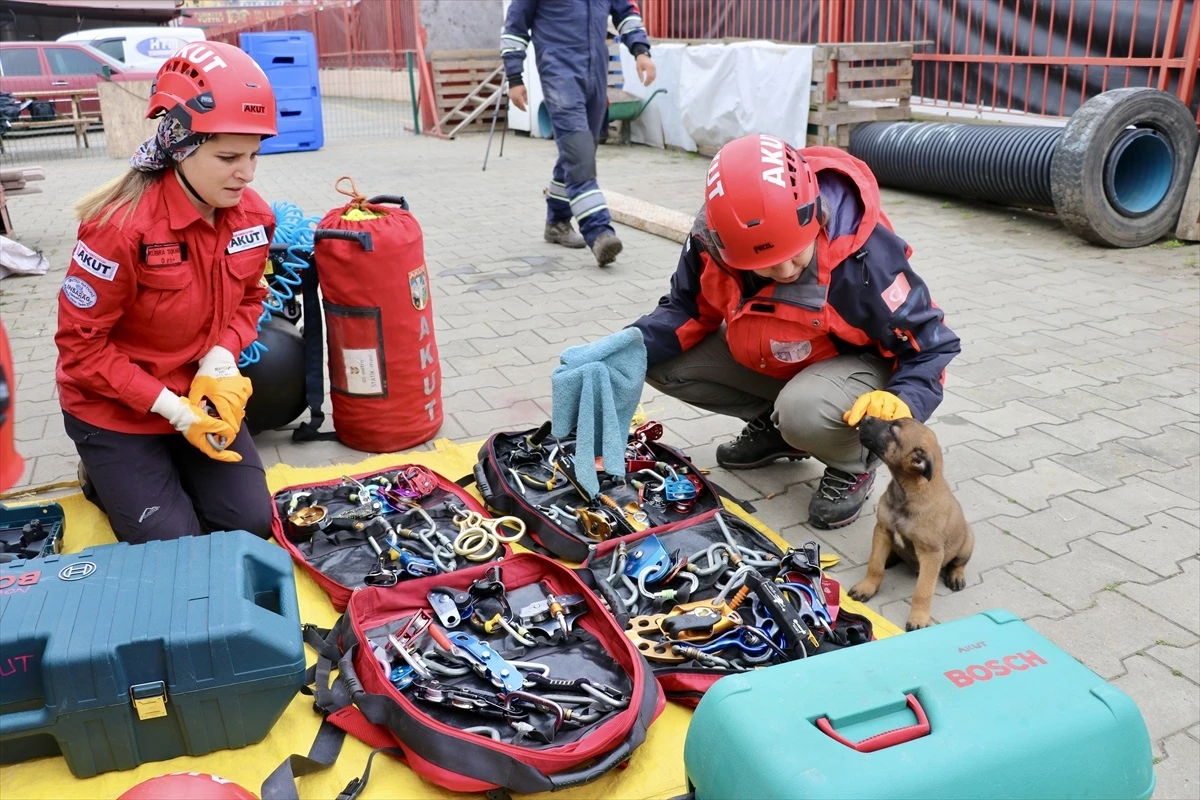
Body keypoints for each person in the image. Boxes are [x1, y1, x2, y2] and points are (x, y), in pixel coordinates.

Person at [632, 134, 961, 530]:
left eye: (795, 255)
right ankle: (781, 432)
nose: (786, 272)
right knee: (653, 359)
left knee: (803, 409)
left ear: (814, 214)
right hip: (788, 361)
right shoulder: (713, 240)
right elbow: (685, 309)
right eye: (768, 265)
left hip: (854, 375)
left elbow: (931, 343)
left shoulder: (864, 256)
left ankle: (852, 462)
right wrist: (625, 346)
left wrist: (903, 399)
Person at [55, 41, 278, 544]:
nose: (247, 173)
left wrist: (221, 357)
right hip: (118, 412)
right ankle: (103, 473)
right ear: (181, 146)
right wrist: (170, 409)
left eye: (254, 155)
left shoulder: (254, 217)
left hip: (200, 398)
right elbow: (80, 348)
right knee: (172, 543)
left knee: (249, 524)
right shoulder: (119, 229)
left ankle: (168, 470)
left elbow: (251, 298)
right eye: (228, 157)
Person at [502, 0, 656, 266]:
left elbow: (625, 12)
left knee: (581, 151)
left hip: (595, 76)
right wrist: (514, 78)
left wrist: (641, 51)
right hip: (559, 75)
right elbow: (515, 27)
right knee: (579, 154)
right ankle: (599, 232)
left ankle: (557, 222)